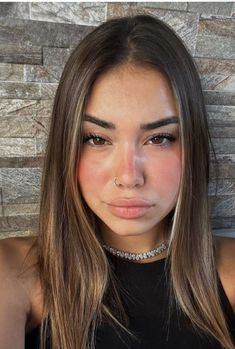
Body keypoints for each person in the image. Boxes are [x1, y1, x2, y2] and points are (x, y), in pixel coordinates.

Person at [0, 14, 234, 349]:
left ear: (192, 144)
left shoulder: (228, 272)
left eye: (159, 138)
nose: (128, 177)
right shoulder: (13, 272)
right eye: (96, 139)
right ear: (66, 145)